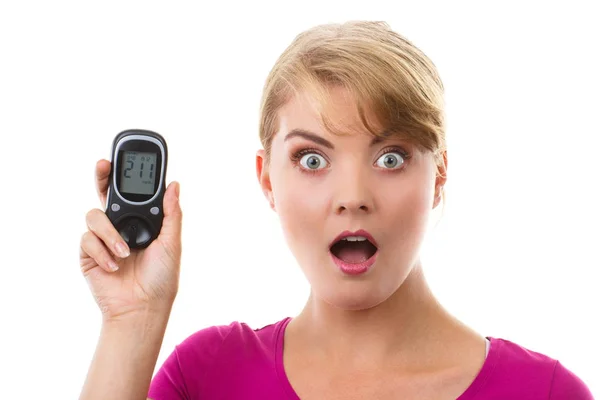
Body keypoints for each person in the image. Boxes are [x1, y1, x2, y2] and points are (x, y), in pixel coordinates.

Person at [78, 21, 594, 400]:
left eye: (390, 158)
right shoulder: (208, 376)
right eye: (312, 158)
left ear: (438, 176)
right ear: (267, 180)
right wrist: (132, 321)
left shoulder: (545, 392)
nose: (352, 195)